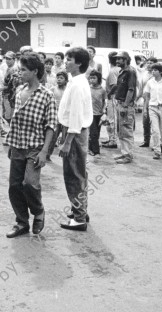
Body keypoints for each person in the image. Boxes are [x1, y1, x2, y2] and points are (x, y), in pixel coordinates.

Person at [5, 53, 56, 238]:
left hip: (35, 146)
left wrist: (44, 152)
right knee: (14, 186)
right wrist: (10, 144)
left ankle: (39, 211)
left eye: (24, 70)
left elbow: (51, 125)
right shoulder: (19, 92)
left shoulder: (46, 95)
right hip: (18, 144)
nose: (20, 73)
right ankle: (21, 222)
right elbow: (15, 121)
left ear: (35, 71)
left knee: (30, 183)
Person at [58, 47, 93, 231]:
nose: (66, 62)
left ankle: (79, 218)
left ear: (79, 63)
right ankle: (80, 209)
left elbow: (76, 116)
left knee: (74, 175)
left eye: (69, 59)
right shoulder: (76, 81)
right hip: (74, 130)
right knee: (78, 173)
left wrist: (67, 141)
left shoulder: (79, 84)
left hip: (75, 132)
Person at [110, 51, 138, 164]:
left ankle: (128, 155)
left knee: (126, 131)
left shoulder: (130, 71)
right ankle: (124, 153)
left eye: (119, 59)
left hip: (125, 105)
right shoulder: (122, 71)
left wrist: (125, 105)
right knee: (121, 131)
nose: (117, 61)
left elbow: (131, 90)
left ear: (125, 59)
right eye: (116, 59)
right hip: (120, 103)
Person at [143, 63, 162, 160]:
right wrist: (145, 109)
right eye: (152, 70)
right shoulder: (150, 82)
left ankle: (161, 144)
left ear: (160, 72)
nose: (152, 71)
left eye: (155, 70)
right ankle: (157, 151)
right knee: (155, 130)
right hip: (152, 107)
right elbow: (147, 96)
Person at [48, 71, 69, 159]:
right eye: (58, 78)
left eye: (61, 78)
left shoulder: (68, 90)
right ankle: (47, 155)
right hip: (55, 117)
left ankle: (65, 157)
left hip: (65, 118)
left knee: (64, 138)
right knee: (53, 137)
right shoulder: (53, 89)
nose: (59, 80)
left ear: (66, 80)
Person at [102, 52, 119, 149]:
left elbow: (114, 85)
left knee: (111, 120)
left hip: (113, 97)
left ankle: (113, 140)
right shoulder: (119, 69)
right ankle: (111, 139)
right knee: (112, 119)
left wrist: (108, 94)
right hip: (116, 97)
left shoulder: (113, 71)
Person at [139, 58, 157, 148]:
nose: (149, 64)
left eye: (151, 63)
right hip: (145, 100)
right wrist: (137, 98)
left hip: (154, 102)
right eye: (148, 63)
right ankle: (146, 141)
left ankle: (156, 144)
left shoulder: (158, 75)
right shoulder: (144, 74)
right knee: (145, 122)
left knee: (154, 123)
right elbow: (141, 87)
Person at [88, 70, 106, 157]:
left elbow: (104, 101)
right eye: (91, 78)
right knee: (93, 133)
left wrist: (104, 112)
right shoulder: (88, 88)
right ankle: (96, 152)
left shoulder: (102, 90)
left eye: (94, 78)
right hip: (90, 114)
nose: (92, 80)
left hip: (99, 114)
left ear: (98, 79)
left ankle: (90, 148)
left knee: (96, 133)